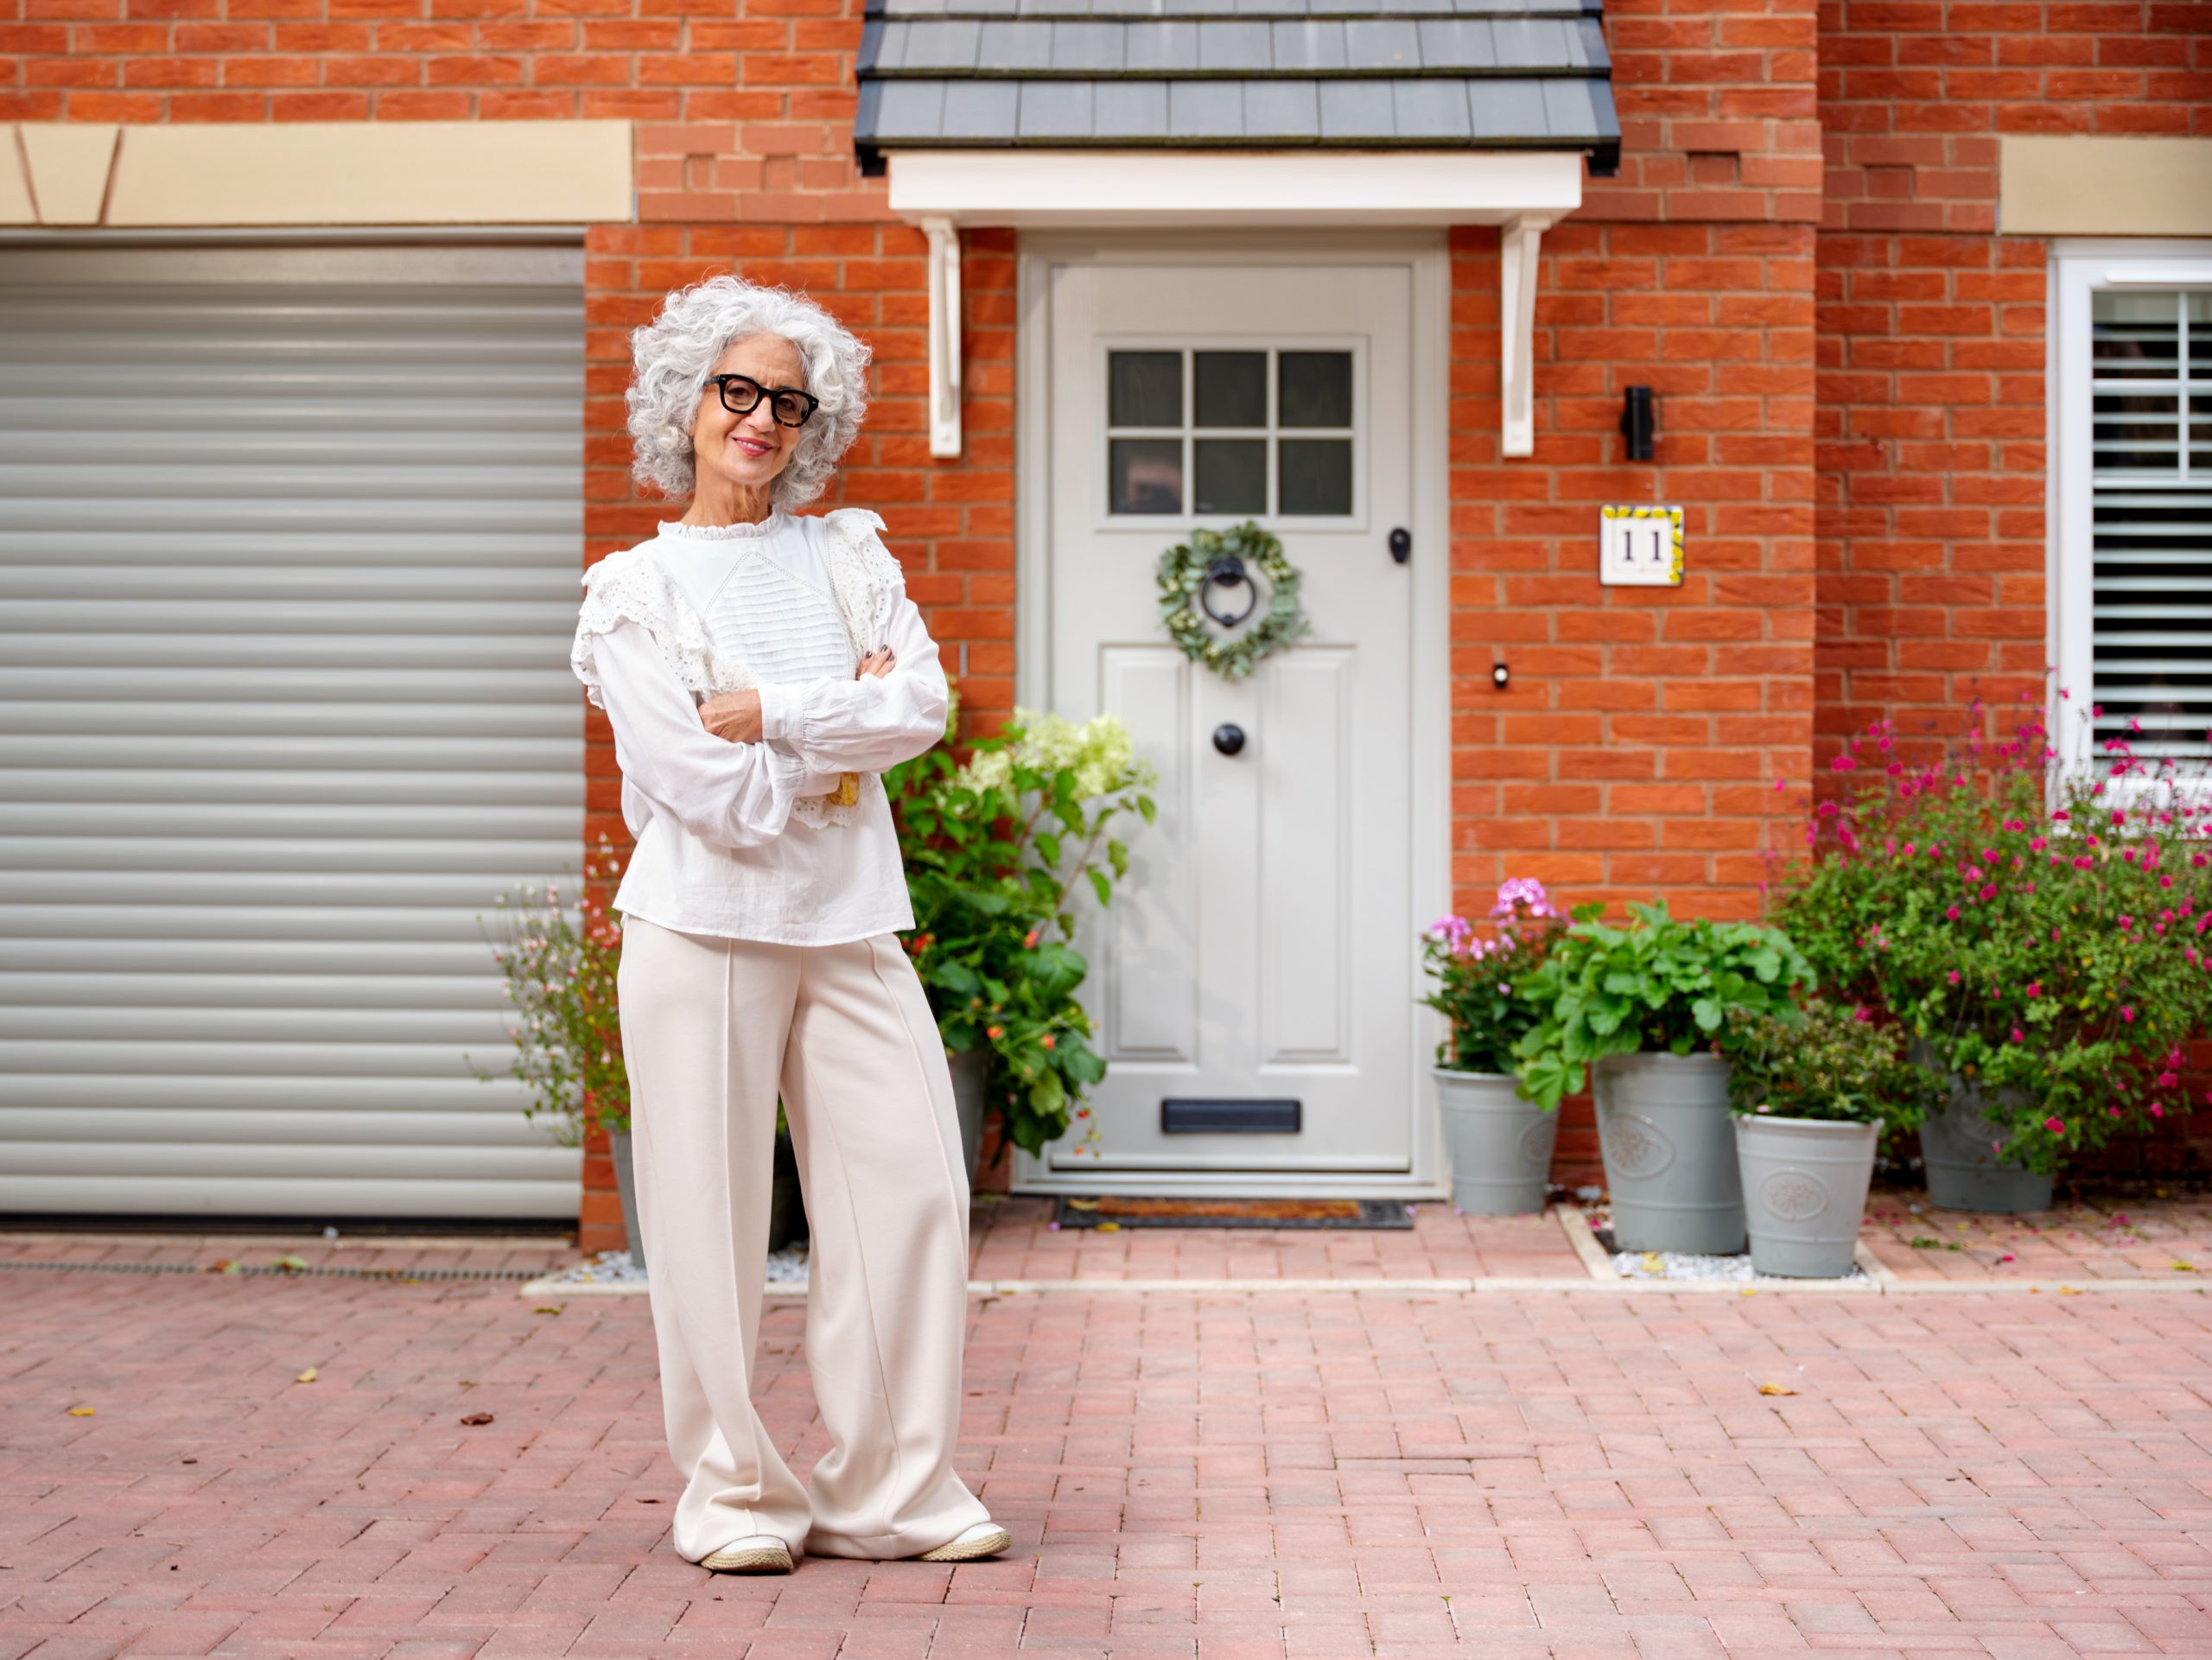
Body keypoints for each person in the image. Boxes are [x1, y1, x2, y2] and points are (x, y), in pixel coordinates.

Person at [568, 275, 1007, 1574]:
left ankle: (892, 1491)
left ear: (816, 423)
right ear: (686, 404)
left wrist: (768, 714)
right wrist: (836, 735)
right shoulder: (634, 589)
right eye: (736, 391)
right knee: (705, 1223)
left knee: (913, 1192)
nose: (761, 418)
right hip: (698, 928)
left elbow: (918, 707)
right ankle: (737, 1497)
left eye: (788, 401)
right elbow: (695, 788)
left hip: (850, 921)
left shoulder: (848, 553)